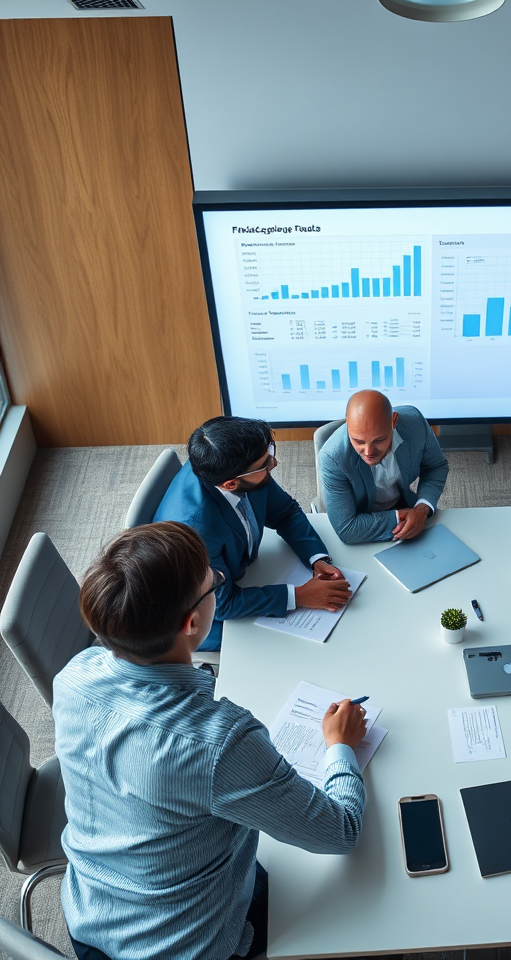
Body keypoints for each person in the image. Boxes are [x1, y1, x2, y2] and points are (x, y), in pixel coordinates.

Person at [53, 522, 368, 960]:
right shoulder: (221, 744)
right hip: (189, 945)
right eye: (213, 581)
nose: (219, 581)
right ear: (193, 621)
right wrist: (340, 746)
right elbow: (341, 832)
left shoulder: (74, 676)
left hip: (90, 916)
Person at [154, 416, 349, 651]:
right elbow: (223, 605)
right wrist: (299, 596)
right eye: (265, 463)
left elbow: (285, 512)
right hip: (198, 612)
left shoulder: (236, 467)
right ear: (230, 484)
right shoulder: (197, 528)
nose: (273, 463)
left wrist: (317, 559)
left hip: (241, 572)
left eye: (269, 451)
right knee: (291, 649)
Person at [319, 390, 449, 544]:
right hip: (360, 514)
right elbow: (347, 528)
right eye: (358, 441)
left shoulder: (415, 424)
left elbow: (436, 466)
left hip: (403, 501)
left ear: (394, 421)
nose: (368, 453)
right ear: (348, 424)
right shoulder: (332, 457)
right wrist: (402, 518)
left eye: (379, 440)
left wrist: (422, 509)